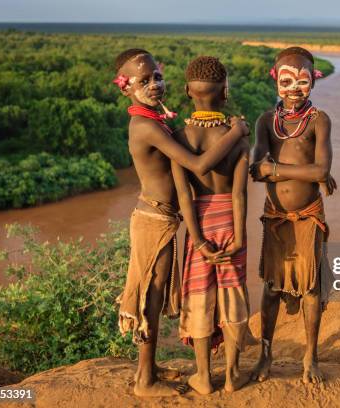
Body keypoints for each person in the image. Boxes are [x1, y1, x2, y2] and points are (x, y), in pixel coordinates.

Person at [113, 48, 249, 397]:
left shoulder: (161, 122)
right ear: (125, 87)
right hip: (153, 220)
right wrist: (236, 133)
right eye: (143, 81)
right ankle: (145, 381)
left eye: (157, 76)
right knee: (151, 298)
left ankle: (151, 367)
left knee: (158, 296)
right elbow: (199, 166)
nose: (154, 84)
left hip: (164, 219)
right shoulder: (146, 126)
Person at [249, 46, 336, 384]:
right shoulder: (265, 122)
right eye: (287, 81)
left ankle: (310, 357)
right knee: (271, 288)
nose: (294, 89)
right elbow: (257, 170)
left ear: (314, 81)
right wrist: (304, 171)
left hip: (308, 216)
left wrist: (277, 169)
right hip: (276, 217)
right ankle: (265, 356)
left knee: (311, 289)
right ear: (275, 80)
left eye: (303, 81)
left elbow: (322, 169)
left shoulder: (319, 120)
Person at [171, 56, 251, 394]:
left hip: (199, 225)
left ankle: (203, 376)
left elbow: (184, 197)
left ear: (188, 90)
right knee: (233, 297)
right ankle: (232, 375)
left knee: (200, 296)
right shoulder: (239, 136)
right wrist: (239, 237)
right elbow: (239, 195)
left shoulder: (179, 137)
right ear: (225, 92)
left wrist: (199, 241)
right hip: (230, 224)